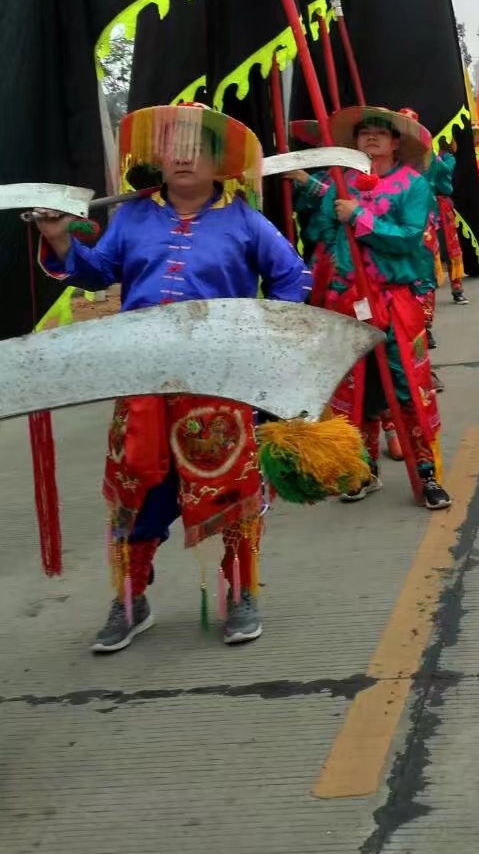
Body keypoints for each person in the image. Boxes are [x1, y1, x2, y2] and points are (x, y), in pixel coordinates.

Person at [36, 104, 312, 654]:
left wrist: (267, 334)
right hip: (141, 378)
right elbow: (96, 272)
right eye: (174, 146)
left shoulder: (246, 220)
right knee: (136, 489)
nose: (184, 156)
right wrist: (61, 239)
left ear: (219, 161)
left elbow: (292, 277)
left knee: (229, 490)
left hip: (220, 382)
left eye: (197, 146)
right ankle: (131, 599)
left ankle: (241, 593)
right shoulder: (135, 217)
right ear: (159, 159)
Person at [292, 106, 451, 513]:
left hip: (395, 299)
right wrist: (313, 194)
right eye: (364, 133)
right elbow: (320, 230)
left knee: (407, 387)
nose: (372, 138)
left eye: (381, 132)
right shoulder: (339, 181)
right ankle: (361, 470)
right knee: (354, 389)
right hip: (348, 300)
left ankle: (427, 472)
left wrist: (359, 216)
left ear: (396, 141)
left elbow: (410, 237)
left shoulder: (413, 185)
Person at [427, 141, 468, 305]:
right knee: (425, 249)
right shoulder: (412, 158)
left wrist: (431, 154)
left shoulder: (447, 157)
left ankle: (457, 289)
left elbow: (444, 170)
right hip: (422, 205)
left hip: (442, 206)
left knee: (451, 249)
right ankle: (426, 296)